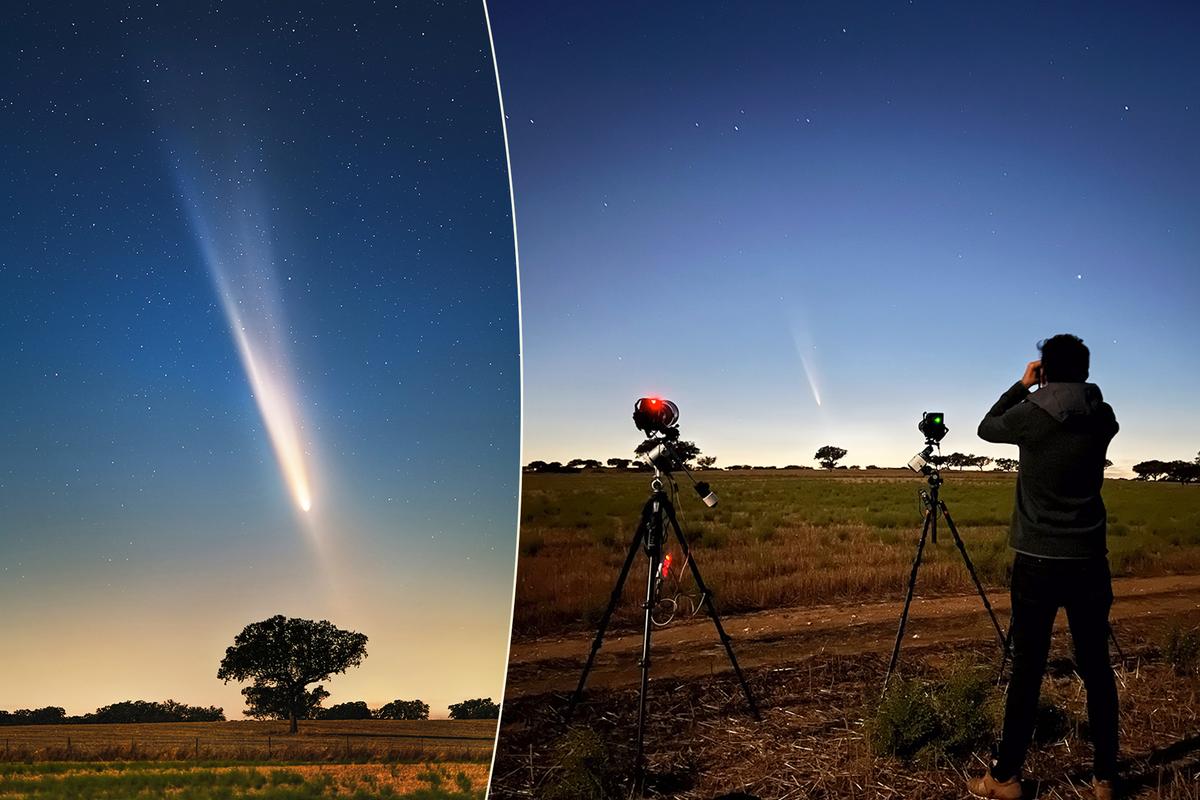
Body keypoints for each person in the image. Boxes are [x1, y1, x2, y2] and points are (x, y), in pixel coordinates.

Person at [967, 334, 1120, 800]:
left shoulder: (1032, 415)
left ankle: (1006, 776)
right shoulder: (1104, 416)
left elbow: (986, 428)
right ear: (1087, 371)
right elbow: (1081, 403)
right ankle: (1105, 778)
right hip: (1090, 560)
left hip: (1036, 561)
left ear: (1045, 370)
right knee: (1096, 667)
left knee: (1028, 669)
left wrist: (1022, 385)